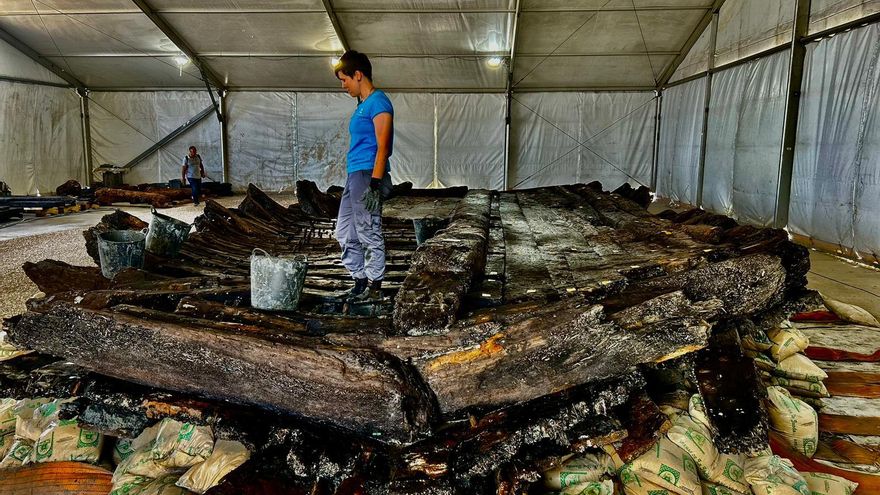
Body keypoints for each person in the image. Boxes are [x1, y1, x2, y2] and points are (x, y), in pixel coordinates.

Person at [333, 50, 393, 302]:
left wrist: (375, 183)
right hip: (354, 173)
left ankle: (375, 286)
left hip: (368, 173)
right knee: (344, 231)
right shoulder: (363, 105)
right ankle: (359, 280)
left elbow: (383, 146)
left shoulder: (378, 102)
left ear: (358, 75)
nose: (343, 85)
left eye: (345, 79)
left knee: (368, 228)